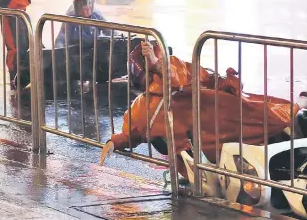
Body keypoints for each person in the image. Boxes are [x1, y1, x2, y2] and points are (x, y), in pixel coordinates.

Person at [99, 40, 307, 178]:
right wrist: (115, 142)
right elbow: (132, 131)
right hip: (208, 138)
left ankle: (297, 108)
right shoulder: (145, 105)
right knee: (263, 116)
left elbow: (179, 77)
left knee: (264, 114)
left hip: (216, 119)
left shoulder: (175, 79)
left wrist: (156, 65)